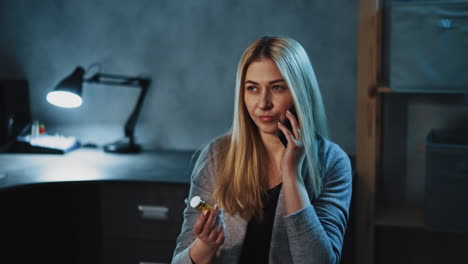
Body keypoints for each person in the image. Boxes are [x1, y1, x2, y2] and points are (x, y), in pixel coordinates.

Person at [171, 36, 352, 264]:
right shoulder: (217, 156)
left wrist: (293, 175)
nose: (263, 103)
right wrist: (205, 246)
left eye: (277, 87)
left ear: (299, 92)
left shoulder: (331, 161)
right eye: (253, 89)